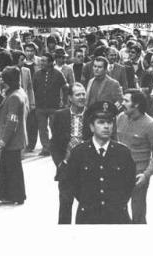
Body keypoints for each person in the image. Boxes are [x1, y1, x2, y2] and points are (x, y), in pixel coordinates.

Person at [66, 101, 136, 224]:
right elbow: (73, 184)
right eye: (101, 122)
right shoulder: (79, 153)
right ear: (92, 127)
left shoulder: (123, 153)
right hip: (88, 216)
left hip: (117, 216)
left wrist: (117, 203)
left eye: (109, 122)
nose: (106, 126)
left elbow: (129, 184)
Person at [116, 89, 153, 224]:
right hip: (118, 174)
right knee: (117, 213)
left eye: (126, 101)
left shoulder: (151, 125)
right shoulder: (120, 118)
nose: (122, 103)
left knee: (138, 215)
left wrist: (147, 174)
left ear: (136, 104)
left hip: (138, 177)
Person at [50, 83, 88, 224]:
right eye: (78, 94)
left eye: (83, 94)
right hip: (66, 167)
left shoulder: (91, 115)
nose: (82, 97)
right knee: (65, 206)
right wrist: (60, 163)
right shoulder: (60, 116)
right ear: (70, 98)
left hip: (86, 168)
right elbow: (54, 143)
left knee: (87, 207)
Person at [0, 66, 29, 205]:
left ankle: (17, 196)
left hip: (13, 138)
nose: (0, 80)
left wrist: (3, 141)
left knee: (14, 168)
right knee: (4, 166)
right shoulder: (18, 92)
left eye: (2, 78)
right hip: (15, 137)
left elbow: (11, 122)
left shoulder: (14, 97)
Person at [33, 53, 69, 156]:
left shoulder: (58, 74)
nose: (41, 63)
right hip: (40, 106)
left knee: (54, 126)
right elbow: (34, 89)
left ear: (50, 62)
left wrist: (64, 102)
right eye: (41, 60)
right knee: (42, 128)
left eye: (44, 61)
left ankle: (55, 146)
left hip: (54, 106)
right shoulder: (37, 74)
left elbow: (65, 88)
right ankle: (46, 148)